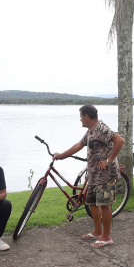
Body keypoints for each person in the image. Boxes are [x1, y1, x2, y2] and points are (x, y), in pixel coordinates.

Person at [53, 104, 125, 248]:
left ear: (86, 116)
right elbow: (78, 145)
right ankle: (98, 232)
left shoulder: (101, 129)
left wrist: (109, 160)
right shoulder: (91, 131)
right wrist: (61, 156)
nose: (80, 119)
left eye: (81, 116)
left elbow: (120, 141)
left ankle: (107, 237)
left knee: (104, 205)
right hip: (93, 174)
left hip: (105, 175)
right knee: (91, 203)